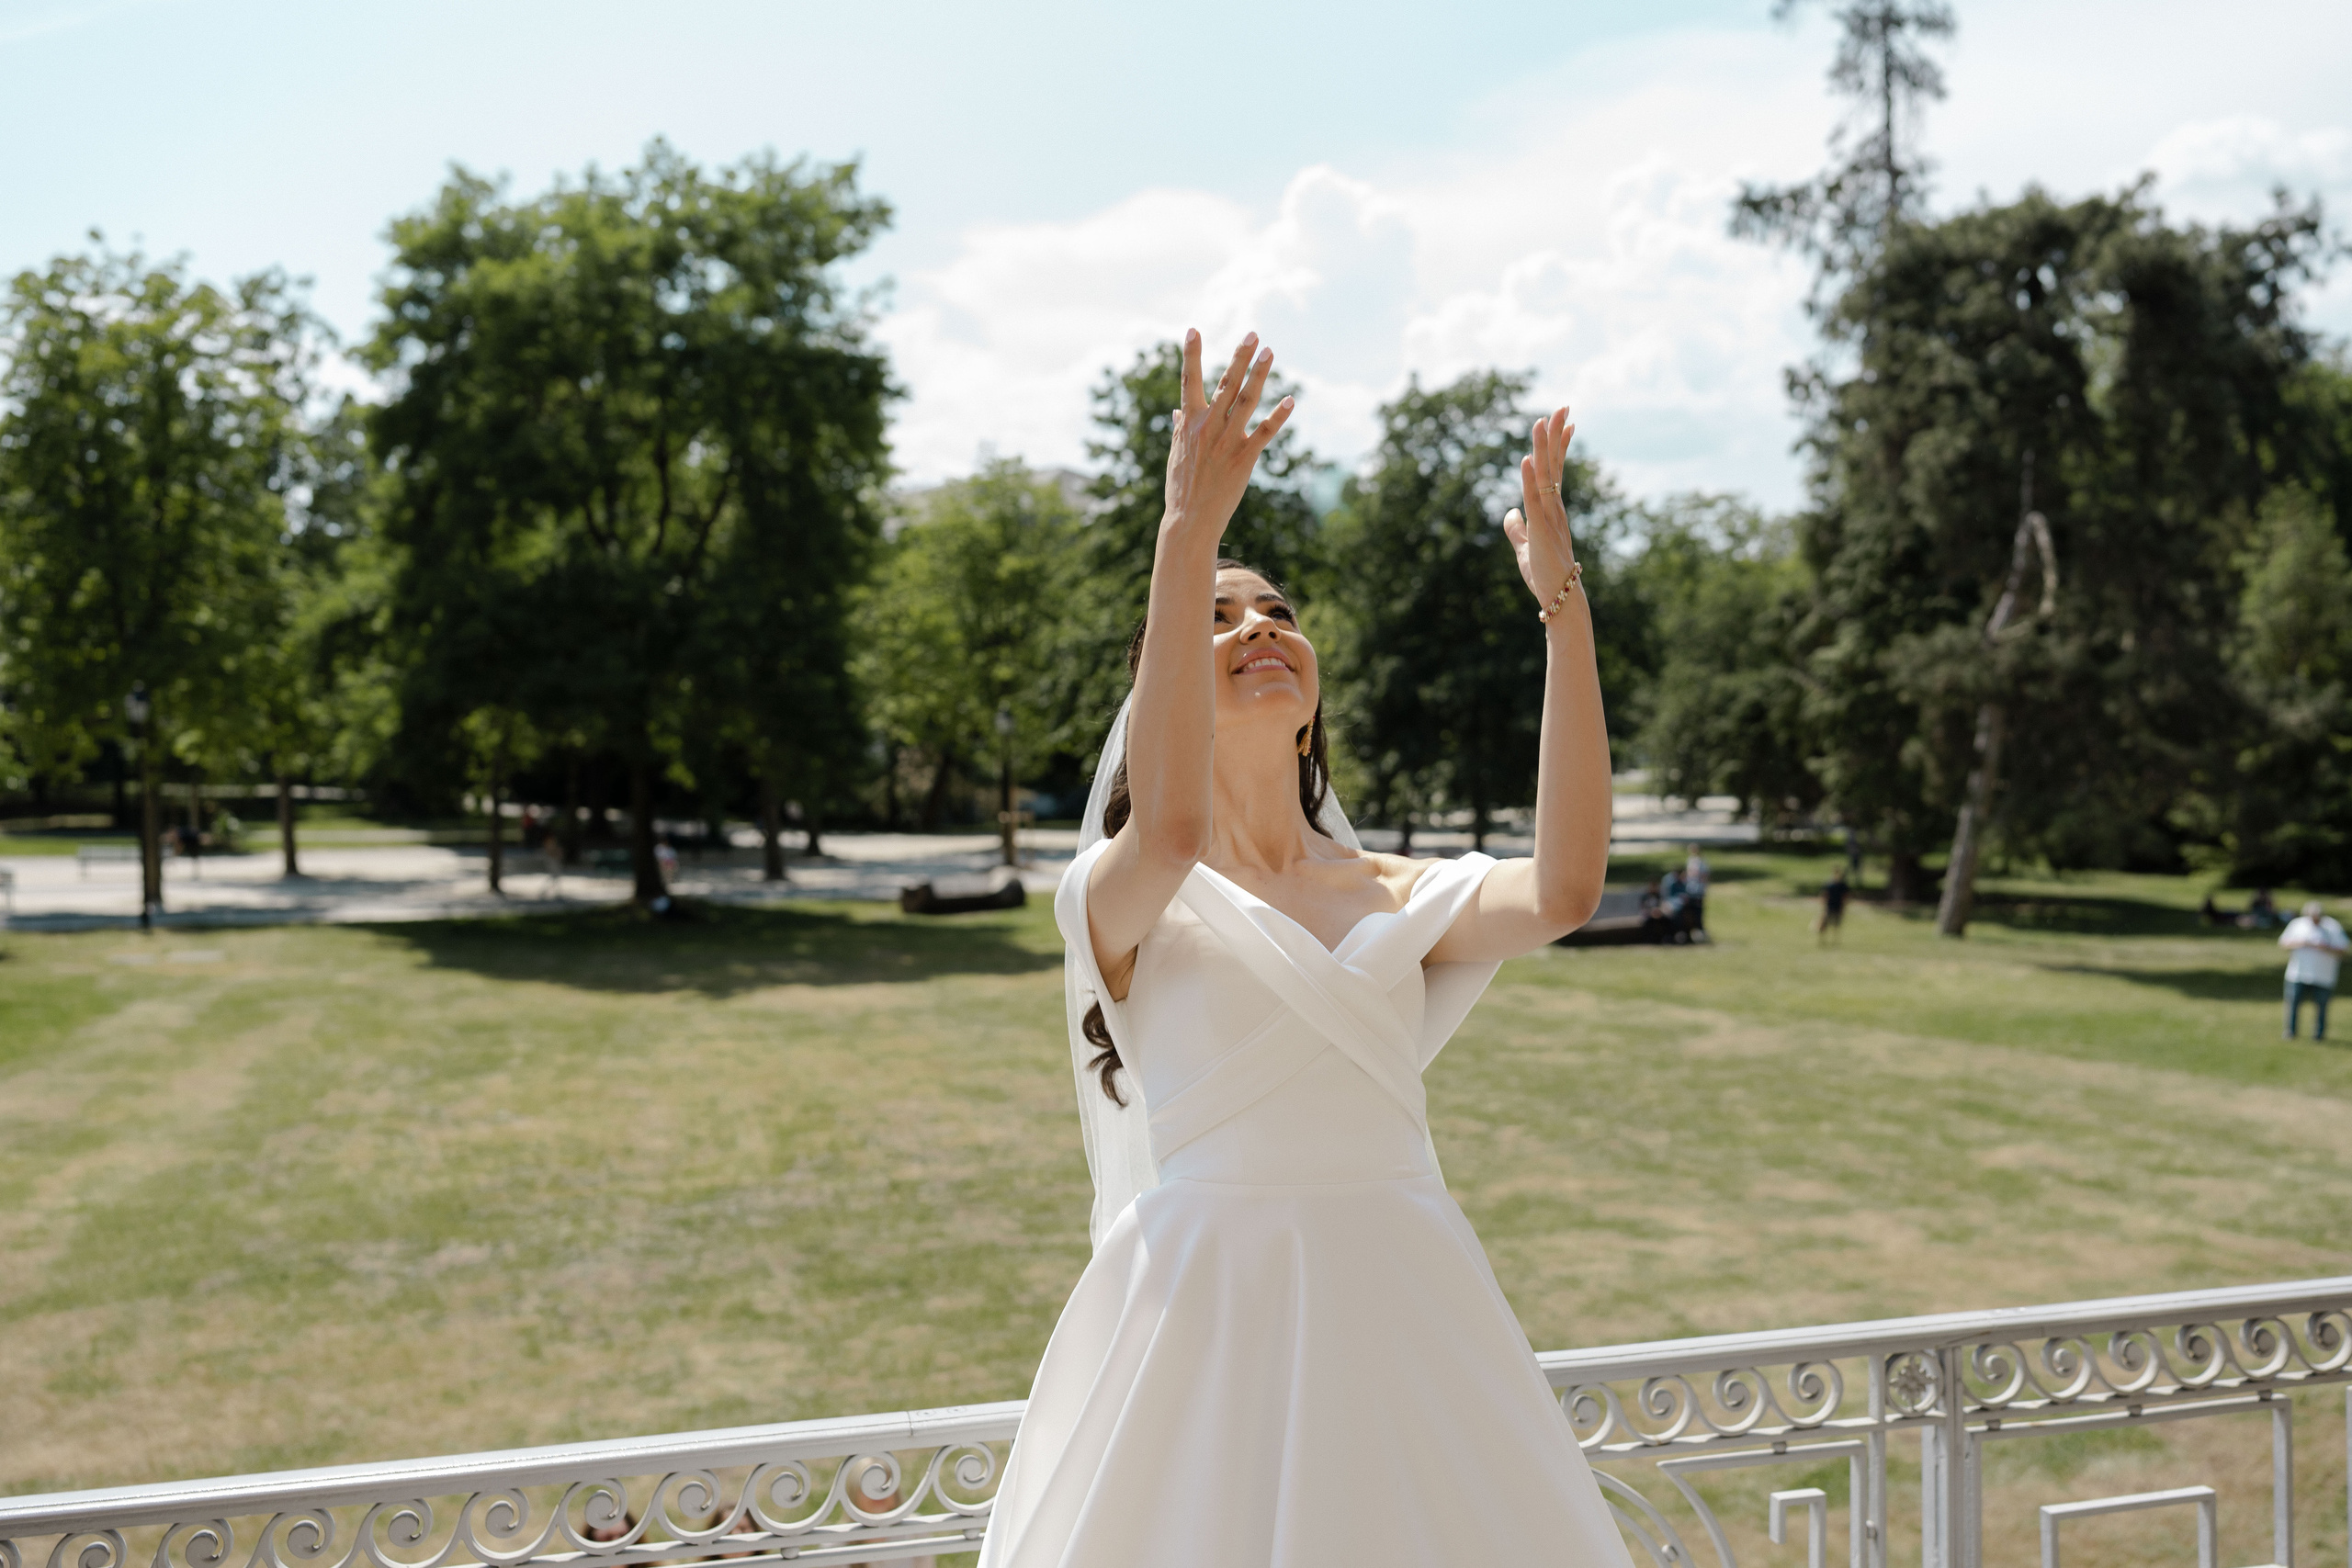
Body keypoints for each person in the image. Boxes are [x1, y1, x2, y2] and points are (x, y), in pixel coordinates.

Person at [982, 331, 1630, 1568]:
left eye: (1278, 610)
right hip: (1203, 1339)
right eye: (1220, 619)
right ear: (1164, 680)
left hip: (1409, 1316)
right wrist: (1186, 532)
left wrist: (1562, 604)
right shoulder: (1123, 898)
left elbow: (1567, 885)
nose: (1260, 626)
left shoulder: (1396, 888)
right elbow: (1171, 823)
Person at [2278, 899, 2347, 1041]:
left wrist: (2325, 948)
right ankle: (2290, 1032)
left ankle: (2319, 1035)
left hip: (2323, 974)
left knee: (2321, 1006)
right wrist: (2303, 943)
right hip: (2298, 973)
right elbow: (2283, 943)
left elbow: (2344, 949)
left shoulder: (2332, 926)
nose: (2315, 919)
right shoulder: (2297, 924)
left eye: (2317, 917)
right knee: (2293, 1004)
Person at [1681, 842, 1711, 942]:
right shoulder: (1690, 860)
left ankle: (1701, 932)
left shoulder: (1702, 862)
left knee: (1698, 912)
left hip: (1698, 891)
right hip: (1689, 890)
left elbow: (1704, 876)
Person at [1816, 864, 1849, 945]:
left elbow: (1845, 896)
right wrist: (1823, 904)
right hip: (1829, 906)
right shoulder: (1829, 884)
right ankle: (1822, 940)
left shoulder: (1842, 885)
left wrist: (1844, 907)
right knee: (1824, 924)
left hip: (1838, 906)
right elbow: (1824, 895)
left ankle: (1835, 941)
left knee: (1836, 925)